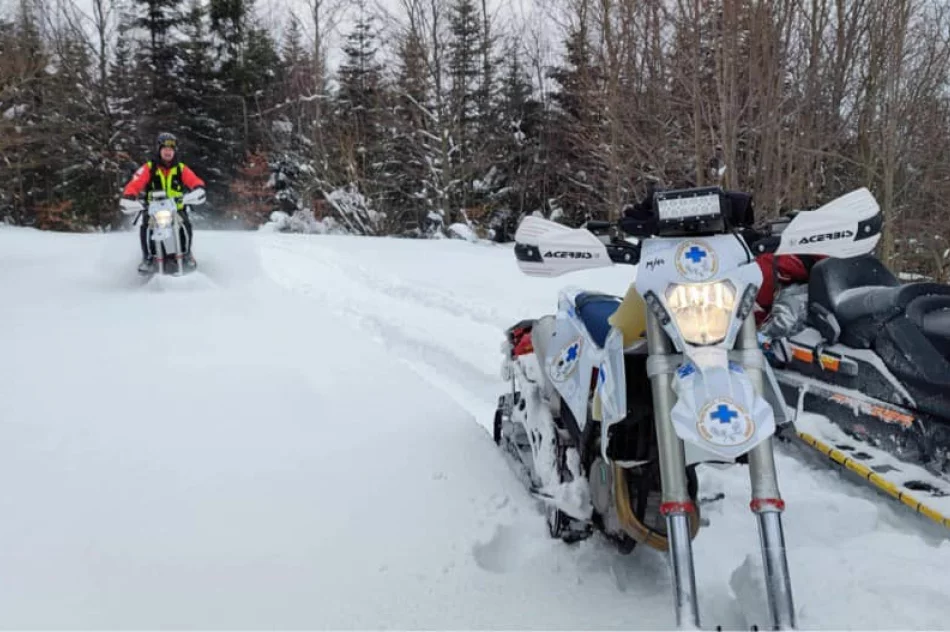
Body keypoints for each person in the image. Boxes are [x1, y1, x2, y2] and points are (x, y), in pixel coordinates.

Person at [122, 132, 206, 273]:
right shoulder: (149, 168)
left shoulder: (181, 168)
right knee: (146, 226)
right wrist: (129, 195)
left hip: (176, 208)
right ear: (159, 150)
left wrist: (198, 189)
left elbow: (194, 180)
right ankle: (148, 258)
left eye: (171, 149)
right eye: (165, 149)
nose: (168, 152)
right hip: (153, 209)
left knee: (185, 224)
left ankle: (186, 254)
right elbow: (135, 182)